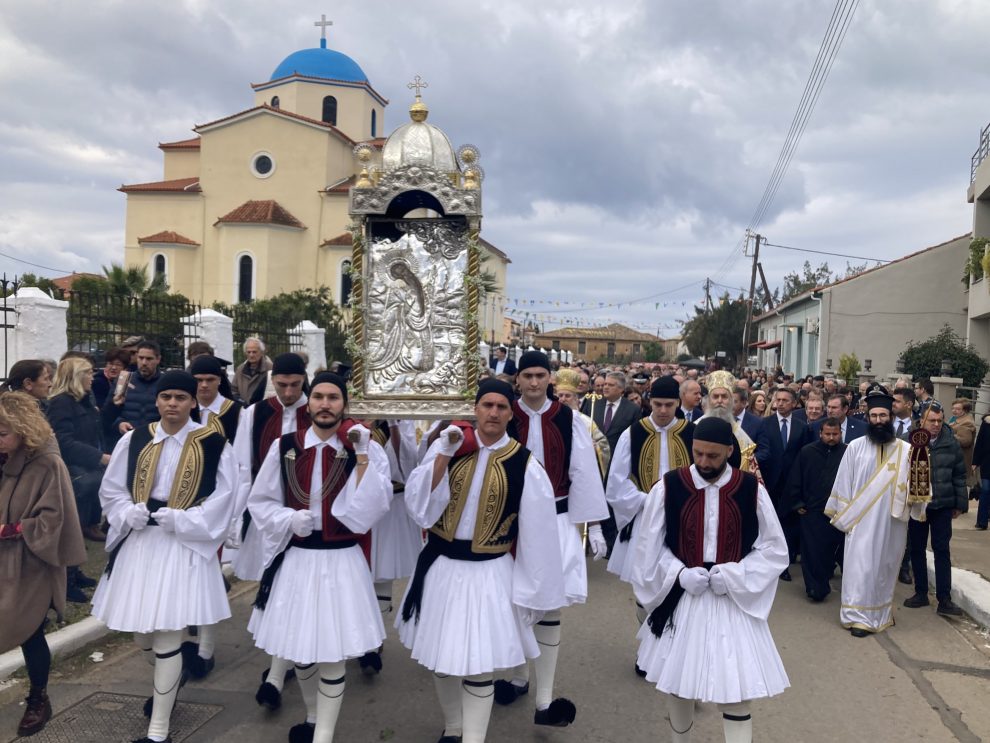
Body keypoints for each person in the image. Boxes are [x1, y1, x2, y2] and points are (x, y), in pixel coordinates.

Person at [396, 379, 566, 743]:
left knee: (479, 666)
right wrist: (442, 452)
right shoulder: (451, 447)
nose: (493, 412)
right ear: (475, 409)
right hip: (441, 567)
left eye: (501, 407)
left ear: (510, 412)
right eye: (486, 405)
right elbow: (419, 508)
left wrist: (534, 593)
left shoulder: (524, 463)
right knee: (442, 661)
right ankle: (453, 727)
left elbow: (539, 536)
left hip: (490, 572)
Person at [91, 371, 237, 743]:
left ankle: (159, 731)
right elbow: (112, 490)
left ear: (192, 402)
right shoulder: (135, 439)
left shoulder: (214, 443)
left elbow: (224, 498)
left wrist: (185, 520)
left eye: (180, 398)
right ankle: (168, 683)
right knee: (142, 636)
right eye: (166, 397)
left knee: (169, 636)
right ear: (157, 400)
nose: (172, 403)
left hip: (182, 545)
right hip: (141, 543)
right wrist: (127, 513)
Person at [247, 372, 392, 743]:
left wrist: (361, 455)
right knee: (301, 648)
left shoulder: (364, 446)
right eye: (319, 397)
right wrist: (288, 518)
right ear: (308, 403)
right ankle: (313, 716)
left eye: (334, 398)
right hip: (297, 558)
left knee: (332, 651)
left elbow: (376, 505)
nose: (325, 404)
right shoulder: (285, 445)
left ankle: (323, 734)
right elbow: (261, 501)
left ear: (345, 405)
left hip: (342, 559)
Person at [629, 417, 789, 743]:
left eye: (713, 456)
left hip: (731, 598)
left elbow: (774, 549)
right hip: (685, 598)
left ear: (730, 451)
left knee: (736, 688)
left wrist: (735, 574)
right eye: (698, 453)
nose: (703, 462)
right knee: (678, 684)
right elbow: (647, 548)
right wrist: (679, 573)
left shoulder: (751, 489)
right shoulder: (669, 486)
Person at [496, 351, 609, 727]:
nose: (532, 382)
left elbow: (584, 472)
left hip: (557, 520)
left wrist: (591, 526)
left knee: (549, 606)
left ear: (550, 379)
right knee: (513, 601)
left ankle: (544, 700)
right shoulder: (502, 415)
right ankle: (517, 676)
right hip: (509, 523)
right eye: (526, 375)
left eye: (539, 375)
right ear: (518, 379)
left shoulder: (570, 420)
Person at [0, 392, 87, 738]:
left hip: (31, 562)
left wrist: (10, 529)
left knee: (30, 631)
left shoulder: (48, 464)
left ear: (24, 430)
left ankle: (38, 698)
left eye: (4, 433)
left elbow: (55, 519)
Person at [230, 352, 311, 710]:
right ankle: (281, 666)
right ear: (273, 380)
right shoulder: (255, 413)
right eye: (282, 384)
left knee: (293, 591)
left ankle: (279, 672)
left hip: (308, 517)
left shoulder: (319, 409)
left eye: (295, 385)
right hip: (269, 514)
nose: (289, 391)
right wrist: (239, 516)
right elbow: (243, 467)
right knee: (274, 588)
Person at [606, 376, 694, 674]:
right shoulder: (634, 433)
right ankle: (647, 649)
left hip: (682, 521)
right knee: (644, 587)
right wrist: (648, 501)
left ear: (679, 404)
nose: (663, 411)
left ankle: (670, 649)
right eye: (657, 404)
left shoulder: (691, 433)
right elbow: (617, 482)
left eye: (669, 405)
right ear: (649, 402)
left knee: (676, 587)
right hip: (645, 518)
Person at [824, 386, 926, 637]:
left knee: (884, 567)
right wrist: (846, 515)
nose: (878, 421)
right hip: (860, 521)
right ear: (867, 417)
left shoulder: (907, 450)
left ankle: (880, 613)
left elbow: (917, 488)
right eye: (874, 416)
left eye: (883, 416)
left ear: (891, 418)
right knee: (860, 568)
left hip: (892, 522)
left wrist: (922, 467)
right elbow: (844, 482)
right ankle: (856, 616)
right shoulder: (856, 447)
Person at [902, 401, 967, 616]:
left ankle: (944, 598)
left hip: (942, 505)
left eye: (940, 421)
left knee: (942, 550)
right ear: (922, 420)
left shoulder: (951, 442)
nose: (936, 425)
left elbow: (959, 474)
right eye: (932, 421)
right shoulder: (908, 441)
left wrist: (959, 503)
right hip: (918, 505)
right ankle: (921, 592)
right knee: (917, 549)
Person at [782, 417, 846, 602]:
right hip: (812, 511)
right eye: (828, 434)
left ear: (840, 433)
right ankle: (814, 588)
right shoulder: (807, 452)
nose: (832, 438)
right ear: (820, 433)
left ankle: (825, 579)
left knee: (831, 551)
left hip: (838, 511)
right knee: (812, 551)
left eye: (835, 434)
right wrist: (797, 503)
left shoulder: (847, 453)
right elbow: (795, 479)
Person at [755, 387, 808, 580]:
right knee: (768, 522)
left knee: (788, 524)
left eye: (786, 400)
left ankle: (784, 563)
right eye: (779, 399)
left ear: (794, 403)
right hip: (769, 481)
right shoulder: (764, 424)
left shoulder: (802, 427)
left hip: (792, 483)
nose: (782, 403)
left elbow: (804, 457)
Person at [102, 340, 163, 444]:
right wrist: (119, 423)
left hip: (156, 441)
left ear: (158, 359)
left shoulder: (165, 382)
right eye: (141, 358)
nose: (144, 363)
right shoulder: (123, 380)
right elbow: (106, 417)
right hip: (127, 441)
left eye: (149, 359)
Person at [554, 368, 610, 475]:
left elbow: (604, 447)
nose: (563, 399)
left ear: (575, 398)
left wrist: (596, 449)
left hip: (580, 472)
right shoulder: (550, 420)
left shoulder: (586, 423)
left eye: (567, 395)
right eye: (560, 395)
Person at [582, 371, 642, 457]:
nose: (605, 387)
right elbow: (583, 427)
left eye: (610, 385)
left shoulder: (633, 410)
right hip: (593, 457)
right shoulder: (592, 403)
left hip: (618, 459)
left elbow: (635, 438)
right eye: (605, 384)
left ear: (621, 389)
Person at [949, 398, 978, 499]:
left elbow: (966, 441)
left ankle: (962, 505)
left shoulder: (967, 422)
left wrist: (949, 436)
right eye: (953, 408)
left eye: (957, 409)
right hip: (956, 457)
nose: (954, 411)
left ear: (964, 410)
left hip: (962, 457)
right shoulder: (955, 419)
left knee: (963, 483)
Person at [231, 337, 273, 404]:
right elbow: (233, 391)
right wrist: (242, 403)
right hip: (244, 410)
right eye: (248, 352)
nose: (251, 355)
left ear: (261, 352)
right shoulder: (240, 369)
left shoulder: (270, 368)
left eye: (254, 352)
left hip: (262, 410)